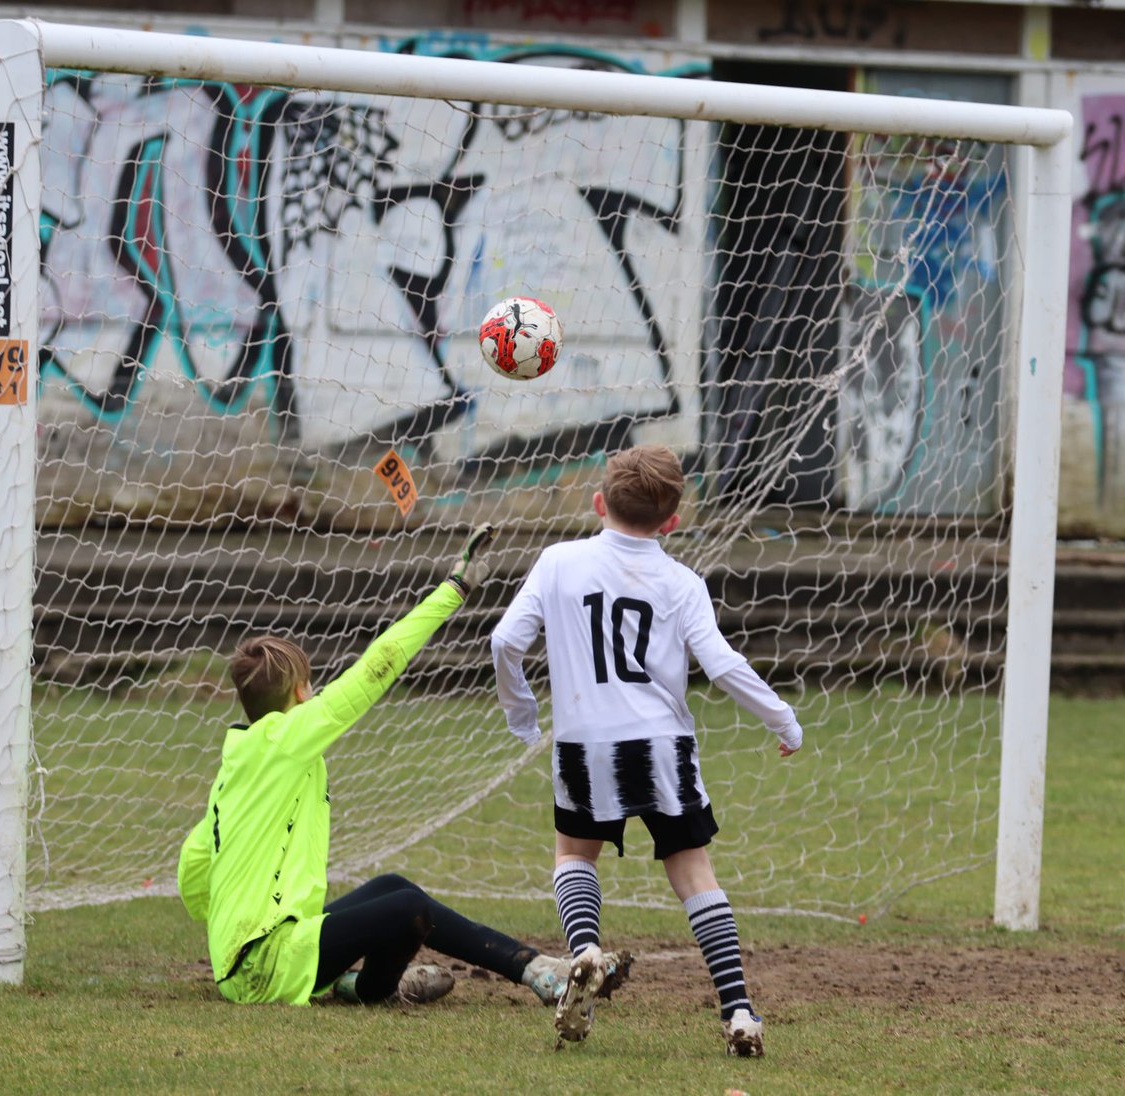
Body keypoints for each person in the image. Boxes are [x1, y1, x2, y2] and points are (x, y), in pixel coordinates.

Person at [177, 526, 620, 1010]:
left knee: (393, 889)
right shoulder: (286, 739)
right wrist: (454, 590)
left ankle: (364, 987)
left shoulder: (240, 760)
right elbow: (376, 666)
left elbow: (193, 868)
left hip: (250, 958)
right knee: (408, 910)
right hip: (265, 964)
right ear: (302, 692)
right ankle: (540, 973)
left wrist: (227, 923)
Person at [490, 445, 804, 1055]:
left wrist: (522, 714)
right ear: (672, 522)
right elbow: (721, 663)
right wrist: (783, 719)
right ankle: (738, 1012)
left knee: (574, 856)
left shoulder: (559, 562)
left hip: (585, 743)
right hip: (662, 746)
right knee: (692, 873)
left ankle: (584, 954)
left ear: (598, 502)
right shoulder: (680, 581)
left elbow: (506, 640)